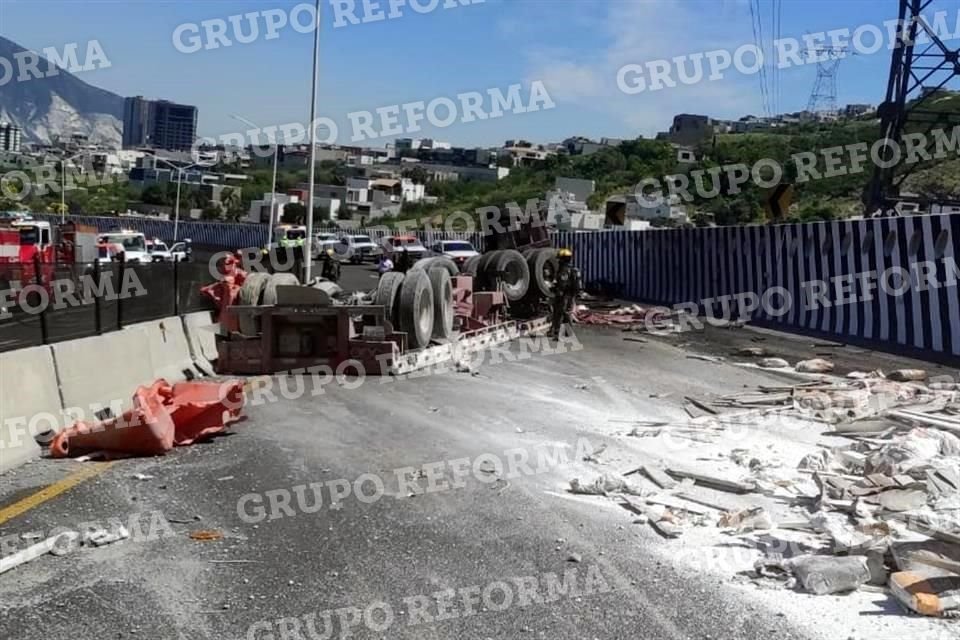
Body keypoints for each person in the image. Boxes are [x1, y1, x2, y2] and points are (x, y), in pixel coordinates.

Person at [549, 247, 581, 338]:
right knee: (566, 312)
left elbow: (562, 283)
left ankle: (558, 331)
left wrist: (555, 289)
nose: (558, 261)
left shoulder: (564, 270)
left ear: (563, 259)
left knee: (560, 313)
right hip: (570, 295)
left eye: (560, 258)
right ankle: (564, 331)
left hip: (563, 295)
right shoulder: (573, 269)